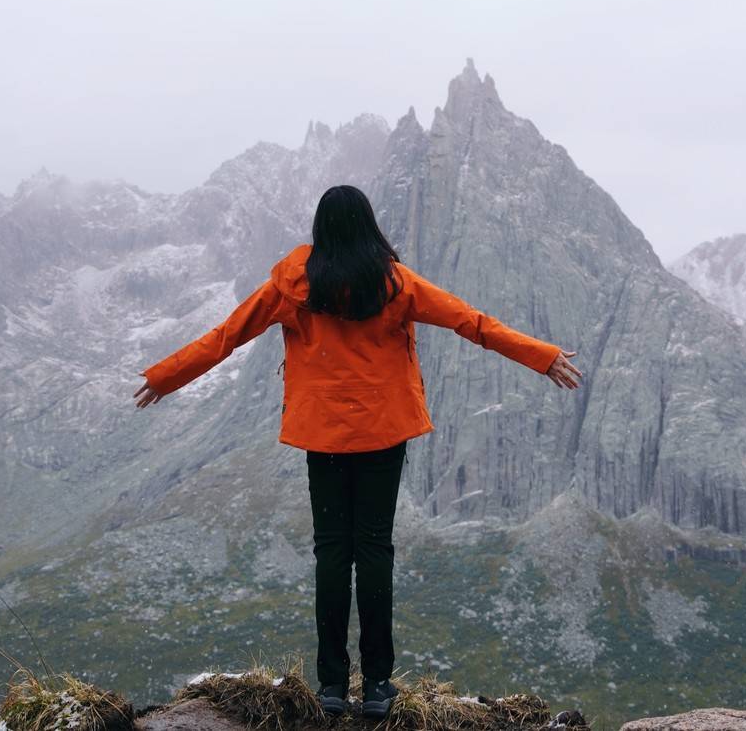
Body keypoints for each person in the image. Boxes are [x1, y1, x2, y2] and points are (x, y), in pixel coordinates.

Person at [134, 184, 584, 719]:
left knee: (332, 552)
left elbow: (225, 335)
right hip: (382, 434)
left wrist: (166, 377)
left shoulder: (291, 285)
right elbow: (472, 322)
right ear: (369, 227)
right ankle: (376, 687)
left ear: (320, 230)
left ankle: (330, 687)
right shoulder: (395, 284)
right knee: (374, 552)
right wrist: (543, 356)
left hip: (322, 436)